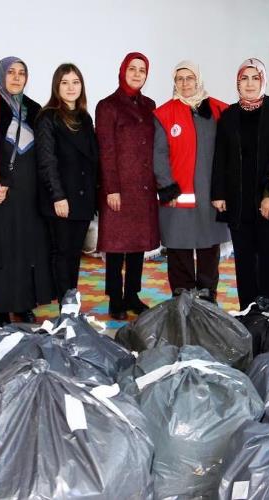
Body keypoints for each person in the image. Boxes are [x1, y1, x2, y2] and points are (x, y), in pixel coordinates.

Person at [0, 56, 54, 326]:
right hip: (2, 188)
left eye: (22, 73)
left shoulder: (34, 108)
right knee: (4, 248)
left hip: (29, 190)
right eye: (11, 72)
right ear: (1, 74)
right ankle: (0, 307)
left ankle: (24, 304)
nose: (17, 77)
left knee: (27, 248)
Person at [211, 58, 269, 309]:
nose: (249, 83)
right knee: (244, 260)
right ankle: (249, 309)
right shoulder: (229, 116)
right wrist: (219, 193)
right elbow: (220, 157)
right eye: (244, 78)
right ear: (237, 82)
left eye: (255, 77)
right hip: (238, 202)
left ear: (263, 80)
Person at [153, 60, 229, 299]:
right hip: (178, 199)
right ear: (174, 82)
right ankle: (182, 299)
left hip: (210, 197)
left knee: (208, 251)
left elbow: (229, 154)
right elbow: (159, 154)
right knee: (179, 251)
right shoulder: (163, 114)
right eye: (180, 78)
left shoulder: (220, 110)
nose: (185, 83)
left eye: (190, 78)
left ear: (199, 80)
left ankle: (207, 300)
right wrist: (167, 188)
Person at [95, 52, 159, 320]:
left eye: (141, 70)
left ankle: (132, 295)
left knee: (137, 245)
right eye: (132, 69)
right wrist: (111, 188)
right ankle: (115, 299)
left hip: (143, 187)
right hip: (119, 187)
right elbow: (105, 150)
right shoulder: (107, 106)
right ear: (122, 71)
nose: (136, 74)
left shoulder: (150, 105)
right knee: (116, 246)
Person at [36, 63, 98, 304]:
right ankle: (65, 305)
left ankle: (71, 300)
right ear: (56, 86)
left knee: (74, 255)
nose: (71, 87)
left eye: (75, 82)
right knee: (62, 254)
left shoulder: (85, 117)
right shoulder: (47, 117)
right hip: (61, 200)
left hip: (83, 201)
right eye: (65, 82)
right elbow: (46, 161)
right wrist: (57, 196)